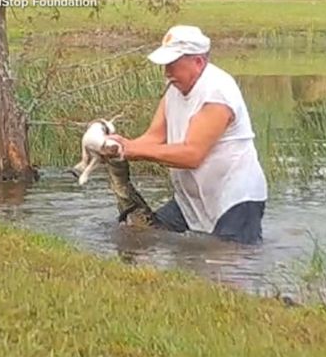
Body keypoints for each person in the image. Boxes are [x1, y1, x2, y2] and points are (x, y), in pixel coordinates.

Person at [109, 25, 268, 245]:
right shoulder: (174, 89)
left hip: (235, 199)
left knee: (231, 266)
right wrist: (116, 146)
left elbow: (192, 155)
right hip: (190, 200)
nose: (166, 72)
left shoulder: (217, 93)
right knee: (142, 237)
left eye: (173, 64)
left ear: (198, 62)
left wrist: (131, 149)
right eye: (165, 65)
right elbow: (153, 138)